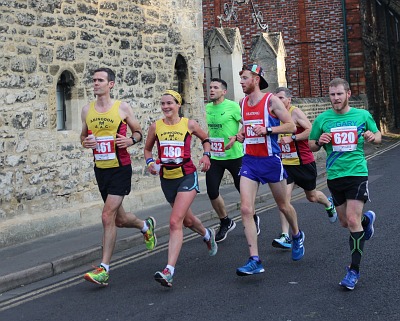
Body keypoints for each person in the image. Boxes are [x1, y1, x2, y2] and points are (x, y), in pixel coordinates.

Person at [80, 68, 157, 286]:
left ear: (110, 84)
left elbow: (139, 132)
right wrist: (86, 142)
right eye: (93, 80)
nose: (95, 83)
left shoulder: (121, 108)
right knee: (120, 220)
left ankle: (103, 269)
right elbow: (83, 137)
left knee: (107, 216)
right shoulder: (87, 110)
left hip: (120, 168)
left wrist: (130, 141)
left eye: (100, 80)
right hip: (100, 168)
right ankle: (145, 226)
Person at [309, 78, 381, 290]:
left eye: (339, 94)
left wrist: (371, 136)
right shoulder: (322, 119)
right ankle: (366, 222)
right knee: (344, 222)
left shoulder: (362, 115)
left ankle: (353, 271)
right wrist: (319, 141)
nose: (335, 98)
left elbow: (378, 135)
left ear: (348, 94)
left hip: (357, 173)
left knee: (351, 219)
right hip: (334, 176)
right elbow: (311, 145)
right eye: (332, 95)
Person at [235, 64, 306, 276]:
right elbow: (247, 125)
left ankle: (296, 234)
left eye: (245, 78)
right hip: (249, 161)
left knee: (283, 205)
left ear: (256, 79)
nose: (241, 82)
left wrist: (268, 130)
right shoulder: (242, 103)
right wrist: (241, 134)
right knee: (246, 209)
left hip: (271, 160)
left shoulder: (271, 101)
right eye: (241, 78)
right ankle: (254, 259)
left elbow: (290, 126)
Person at [144, 90, 218, 287]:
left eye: (170, 103)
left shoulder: (189, 124)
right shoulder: (155, 126)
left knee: (174, 221)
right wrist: (150, 163)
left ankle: (169, 270)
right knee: (187, 220)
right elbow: (147, 149)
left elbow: (206, 140)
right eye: (163, 103)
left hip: (186, 175)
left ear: (178, 104)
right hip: (167, 178)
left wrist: (206, 155)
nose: (166, 107)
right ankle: (207, 234)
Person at [271, 87, 338, 249]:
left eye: (281, 98)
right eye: (276, 99)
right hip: (286, 165)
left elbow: (311, 131)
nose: (278, 102)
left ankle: (329, 204)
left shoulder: (295, 113)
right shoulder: (274, 116)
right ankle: (286, 235)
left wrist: (292, 138)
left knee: (312, 197)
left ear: (289, 100)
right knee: (283, 201)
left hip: (304, 163)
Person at [205, 78, 261, 242]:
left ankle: (253, 217)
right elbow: (210, 130)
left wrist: (237, 136)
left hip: (235, 156)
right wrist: (207, 150)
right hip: (216, 156)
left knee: (243, 191)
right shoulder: (208, 108)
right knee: (212, 190)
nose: (212, 90)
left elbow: (247, 123)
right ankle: (225, 221)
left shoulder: (233, 107)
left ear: (224, 91)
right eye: (210, 87)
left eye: (215, 87)